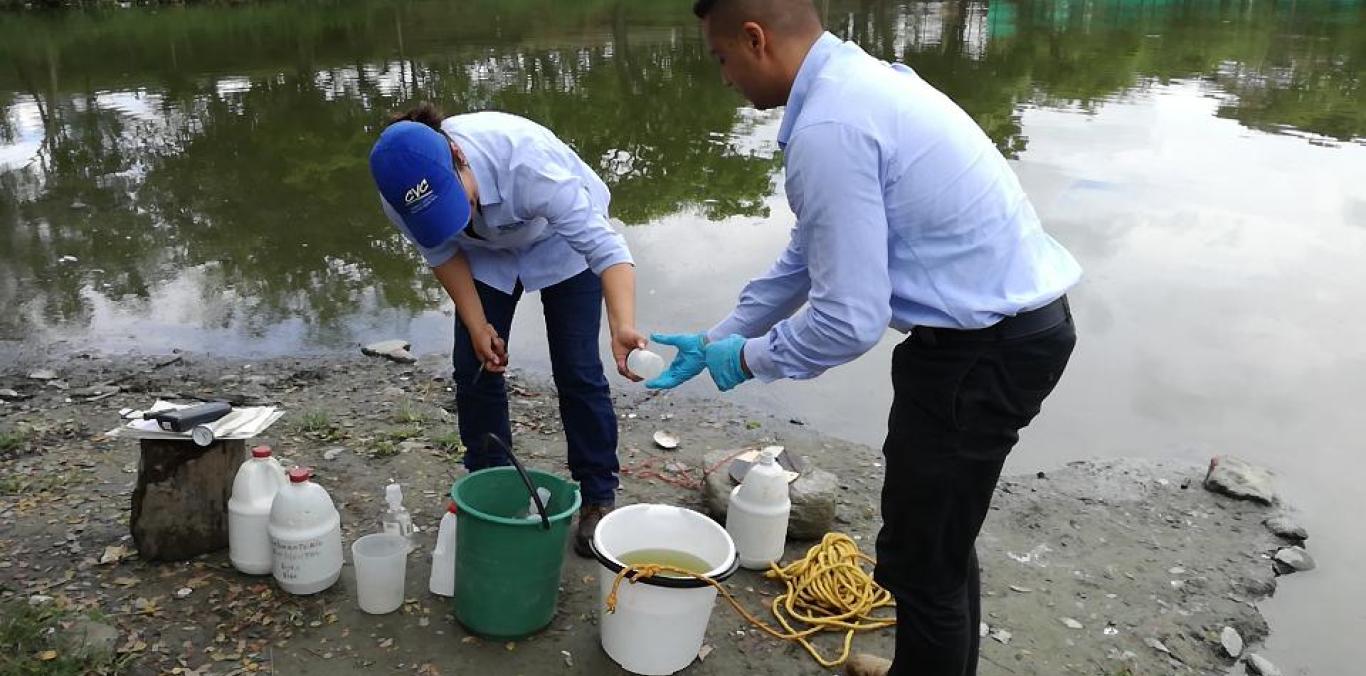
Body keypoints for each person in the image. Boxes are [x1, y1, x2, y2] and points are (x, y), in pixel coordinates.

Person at [649, 2, 1082, 674]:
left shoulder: (829, 125)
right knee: (937, 540)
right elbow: (807, 255)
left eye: (721, 57)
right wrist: (722, 336)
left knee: (923, 564)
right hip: (1008, 335)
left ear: (755, 39)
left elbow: (848, 319)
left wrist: (750, 359)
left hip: (982, 352)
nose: (725, 77)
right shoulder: (861, 82)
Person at [368, 103, 646, 556]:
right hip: (482, 253)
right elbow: (440, 252)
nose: (451, 212)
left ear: (457, 154)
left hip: (558, 240)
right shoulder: (400, 192)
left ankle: (598, 495)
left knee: (577, 369)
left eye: (455, 198)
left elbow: (605, 247)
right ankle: (489, 485)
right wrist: (478, 324)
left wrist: (623, 324)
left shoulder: (527, 162)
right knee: (474, 367)